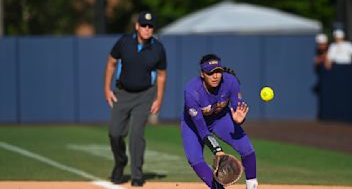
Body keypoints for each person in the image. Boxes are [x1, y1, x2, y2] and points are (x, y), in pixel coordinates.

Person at [104, 11, 167, 186]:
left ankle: (137, 174)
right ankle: (120, 162)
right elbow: (111, 62)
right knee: (114, 133)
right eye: (144, 25)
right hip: (122, 93)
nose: (147, 29)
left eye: (151, 26)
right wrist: (107, 89)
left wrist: (159, 99)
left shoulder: (158, 48)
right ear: (137, 26)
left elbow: (161, 75)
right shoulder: (124, 42)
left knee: (136, 135)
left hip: (145, 95)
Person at [181, 54, 258, 189]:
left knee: (247, 149)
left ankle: (252, 186)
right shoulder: (192, 92)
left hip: (220, 119)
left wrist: (240, 119)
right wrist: (217, 150)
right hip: (194, 125)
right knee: (194, 158)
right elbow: (202, 129)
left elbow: (237, 108)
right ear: (202, 74)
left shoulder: (230, 82)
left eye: (218, 71)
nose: (215, 76)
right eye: (210, 73)